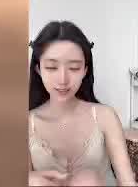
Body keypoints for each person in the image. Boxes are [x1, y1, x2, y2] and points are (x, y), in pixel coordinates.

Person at [28, 20, 138, 186]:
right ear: (38, 69)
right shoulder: (26, 124)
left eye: (74, 68)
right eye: (51, 67)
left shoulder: (104, 116)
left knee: (87, 180)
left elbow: (127, 181)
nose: (63, 80)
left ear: (85, 70)